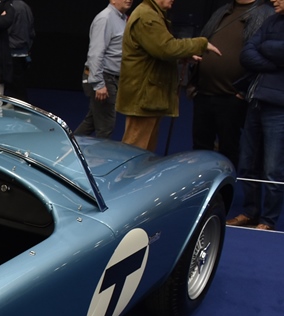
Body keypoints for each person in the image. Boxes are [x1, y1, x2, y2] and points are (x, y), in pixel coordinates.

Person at [116, 0, 219, 152]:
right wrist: (200, 44)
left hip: (148, 96)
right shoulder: (147, 16)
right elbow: (165, 48)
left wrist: (182, 56)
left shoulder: (152, 14)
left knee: (143, 153)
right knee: (133, 153)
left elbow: (156, 50)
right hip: (144, 96)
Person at [190, 0, 274, 167]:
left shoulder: (266, 14)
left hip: (233, 97)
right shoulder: (222, 11)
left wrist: (243, 92)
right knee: (199, 149)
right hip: (204, 92)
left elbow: (264, 55)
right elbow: (203, 40)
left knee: (229, 151)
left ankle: (227, 185)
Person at [227, 0, 284, 230]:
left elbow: (263, 48)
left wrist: (265, 47)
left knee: (273, 168)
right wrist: (275, 63)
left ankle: (268, 220)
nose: (274, 0)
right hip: (256, 101)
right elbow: (247, 53)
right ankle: (250, 212)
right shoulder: (272, 20)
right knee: (247, 162)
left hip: (279, 108)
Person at [75, 0, 132, 138]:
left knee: (92, 121)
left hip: (111, 77)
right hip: (104, 77)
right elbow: (96, 53)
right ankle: (98, 154)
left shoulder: (122, 18)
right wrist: (99, 84)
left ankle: (67, 147)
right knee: (105, 127)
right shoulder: (105, 18)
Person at [4, 0, 34, 102]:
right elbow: (31, 33)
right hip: (21, 51)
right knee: (17, 85)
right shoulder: (24, 6)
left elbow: (6, 29)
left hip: (14, 51)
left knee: (17, 87)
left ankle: (20, 108)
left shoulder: (14, 7)